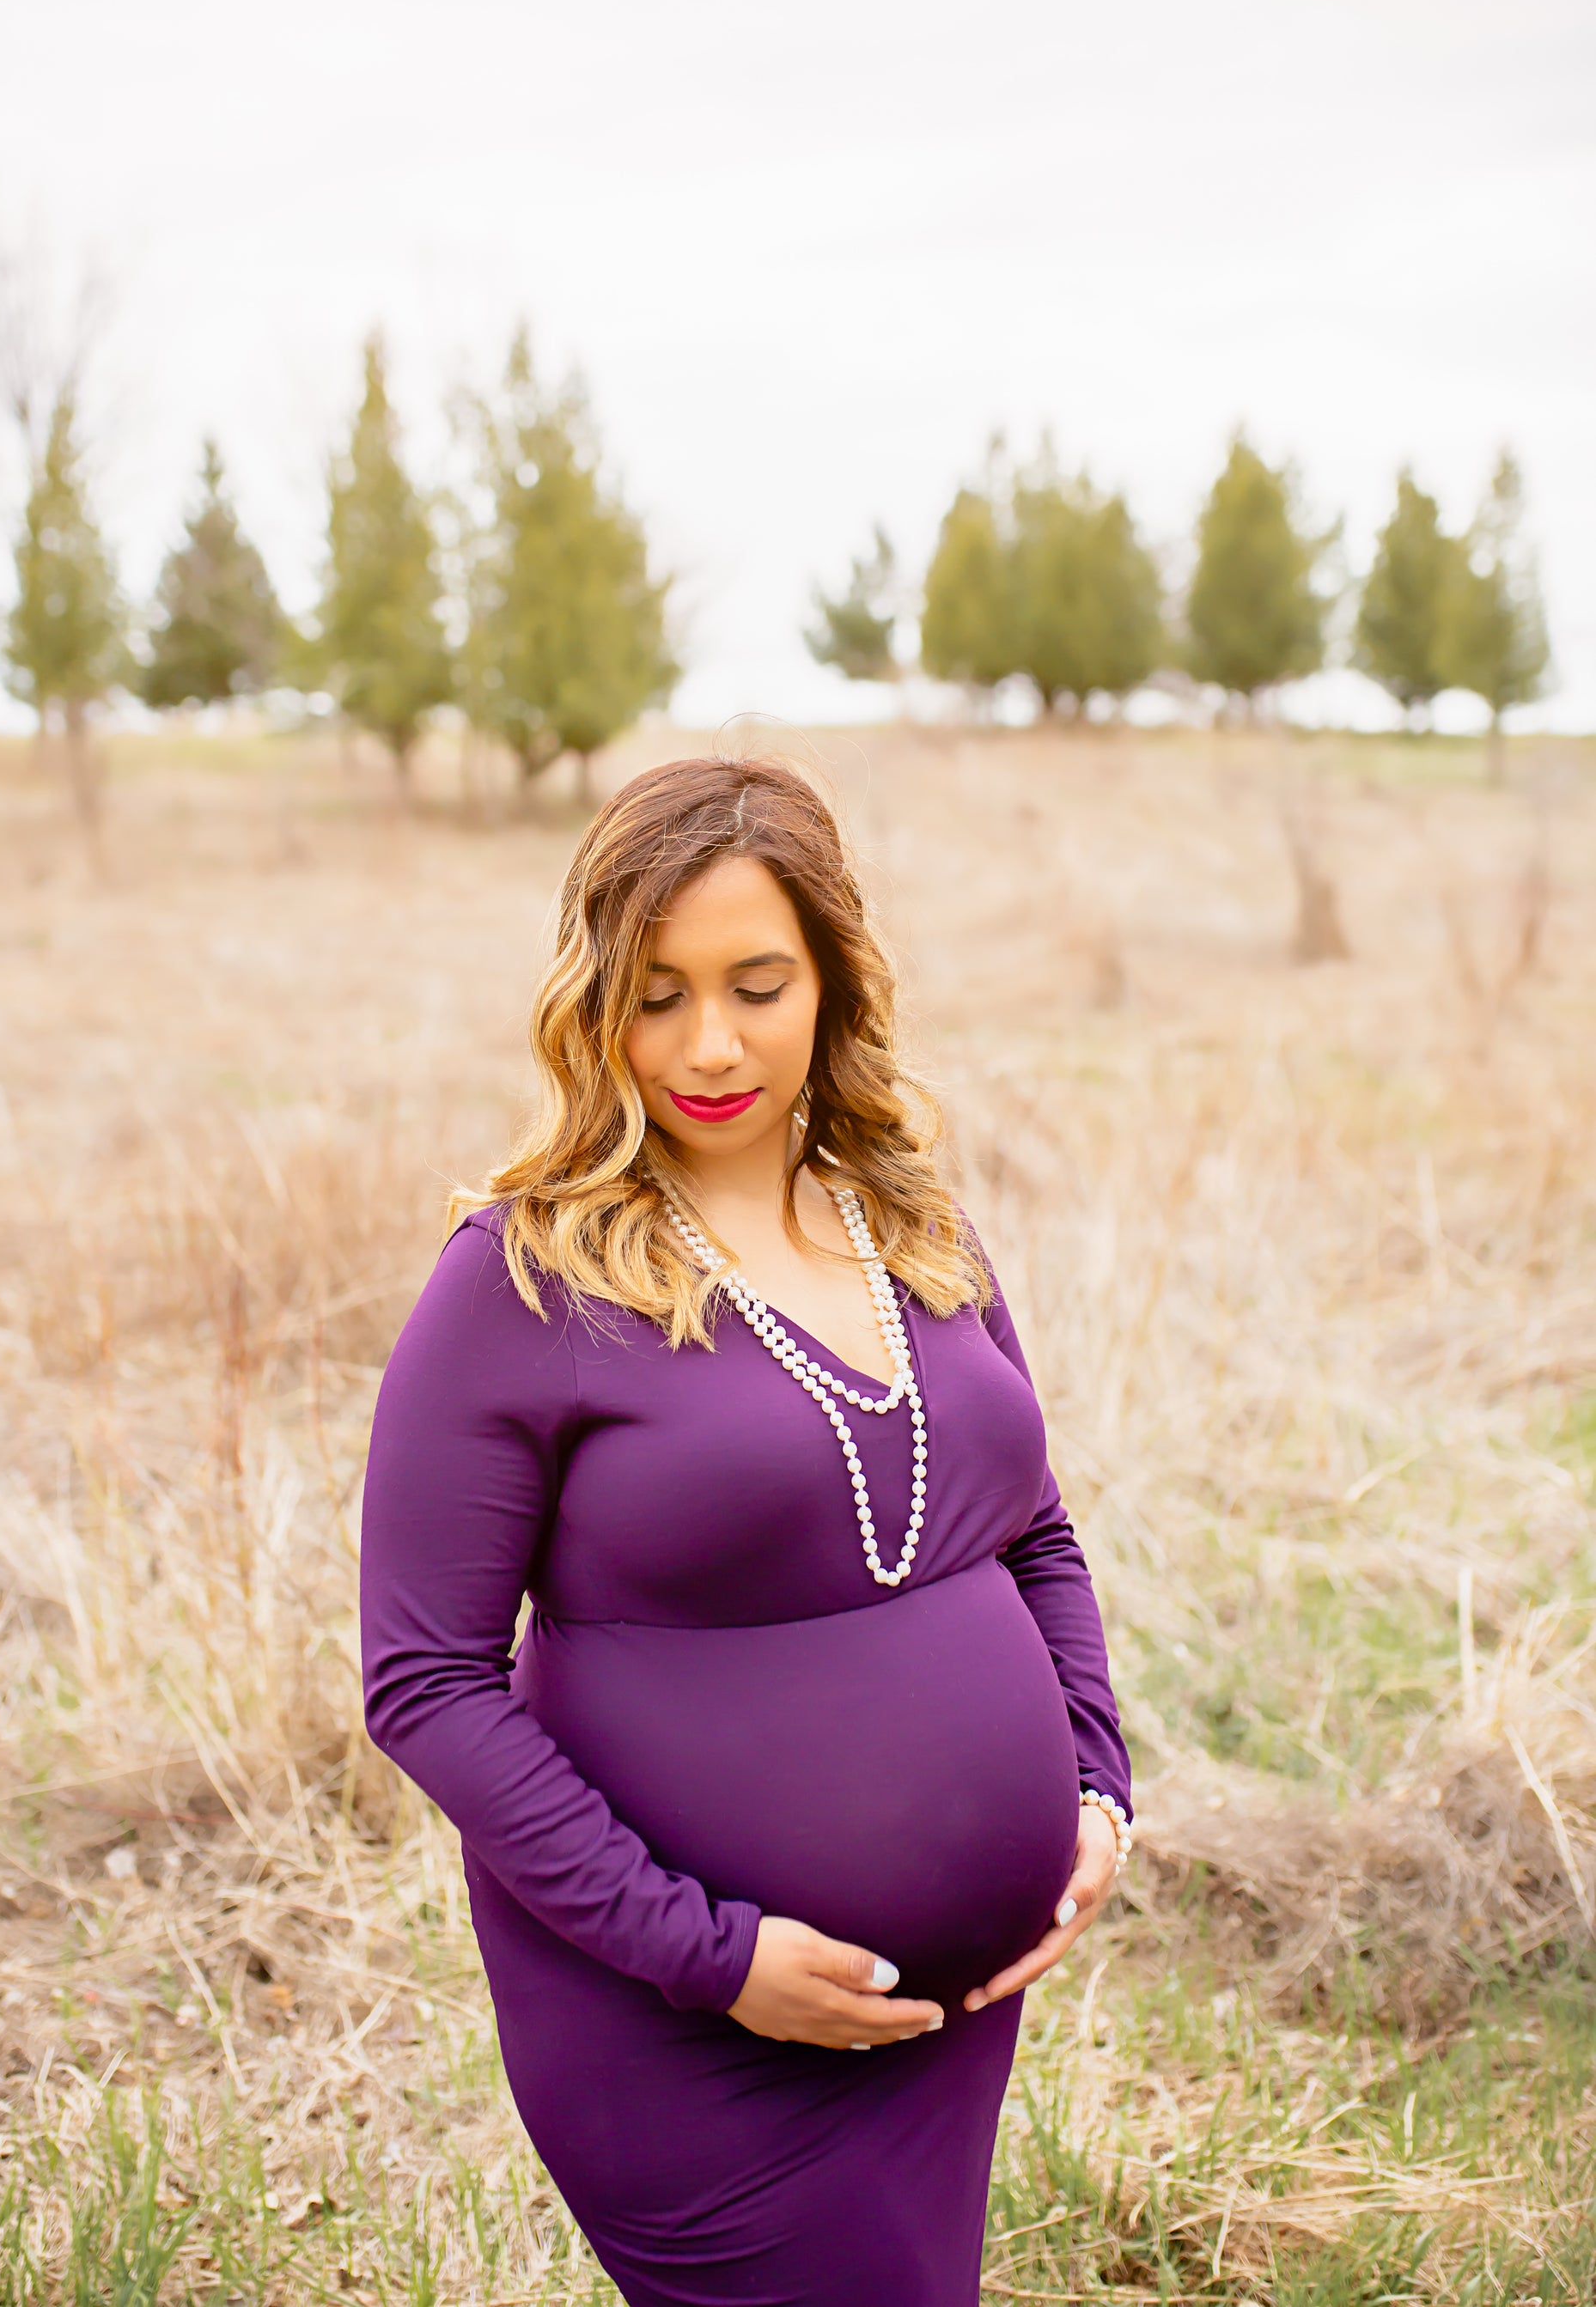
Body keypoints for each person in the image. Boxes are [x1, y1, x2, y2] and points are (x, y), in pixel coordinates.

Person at [360, 755, 1133, 2307]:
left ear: (833, 982)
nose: (707, 1044)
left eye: (755, 984)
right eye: (654, 995)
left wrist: (1095, 1784)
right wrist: (709, 1954)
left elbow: (1028, 1530)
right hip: (680, 2027)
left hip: (951, 2013)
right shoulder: (519, 1281)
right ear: (591, 1004)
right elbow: (426, 1684)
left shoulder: (914, 1227)